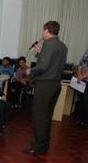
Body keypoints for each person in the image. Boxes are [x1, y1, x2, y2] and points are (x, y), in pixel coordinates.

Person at [24, 21, 68, 155]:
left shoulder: (48, 44)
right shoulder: (62, 46)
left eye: (43, 30)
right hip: (55, 83)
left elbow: (43, 66)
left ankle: (38, 146)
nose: (42, 33)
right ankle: (44, 143)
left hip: (45, 84)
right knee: (47, 115)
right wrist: (40, 53)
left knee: (39, 116)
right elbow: (52, 62)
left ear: (47, 31)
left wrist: (30, 71)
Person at [73, 50, 88, 128]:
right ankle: (81, 119)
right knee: (81, 101)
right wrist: (79, 75)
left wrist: (83, 76)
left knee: (86, 102)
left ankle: (86, 121)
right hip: (82, 81)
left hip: (86, 81)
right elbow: (80, 65)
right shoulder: (86, 52)